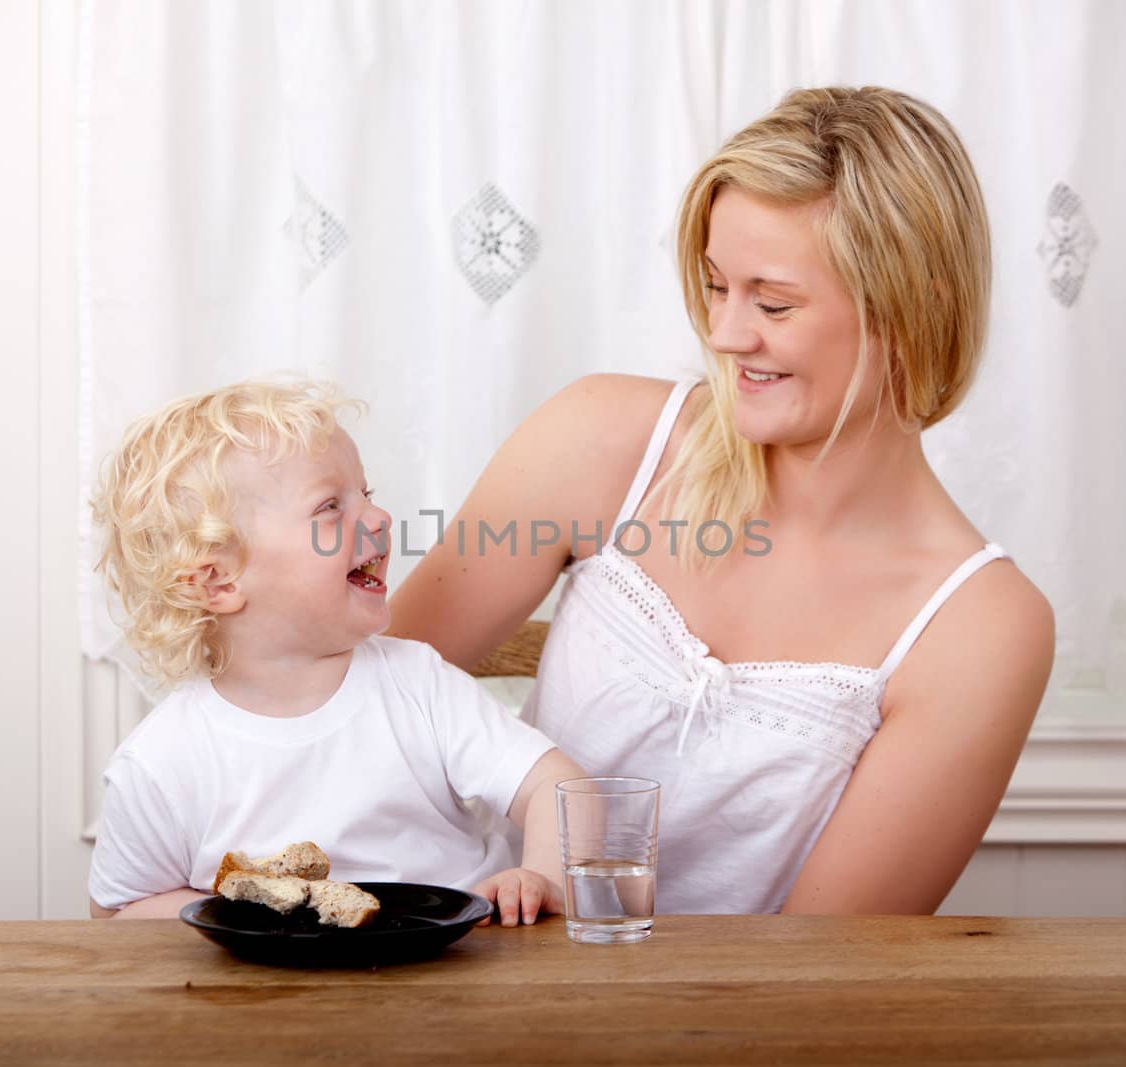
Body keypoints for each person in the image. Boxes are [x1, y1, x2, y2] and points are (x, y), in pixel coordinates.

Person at [388, 86, 1055, 915]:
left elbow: (823, 969)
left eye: (773, 303)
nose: (727, 335)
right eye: (714, 286)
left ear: (912, 311)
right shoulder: (603, 440)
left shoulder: (981, 627)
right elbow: (361, 703)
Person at [86, 379, 583, 925]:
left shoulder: (416, 685)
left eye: (366, 496)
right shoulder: (164, 759)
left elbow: (556, 787)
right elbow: (117, 913)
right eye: (330, 506)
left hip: (454, 980)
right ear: (218, 580)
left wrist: (538, 876)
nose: (379, 518)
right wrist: (243, 919)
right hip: (273, 1004)